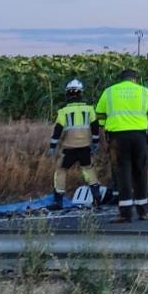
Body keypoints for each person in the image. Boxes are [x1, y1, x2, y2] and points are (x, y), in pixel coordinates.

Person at [95, 68, 148, 223]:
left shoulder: (110, 92)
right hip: (139, 137)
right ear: (135, 79)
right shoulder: (144, 91)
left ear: (121, 79)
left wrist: (105, 127)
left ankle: (125, 213)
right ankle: (143, 211)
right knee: (140, 171)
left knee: (122, 173)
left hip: (118, 138)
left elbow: (99, 114)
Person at [48, 79, 103, 210]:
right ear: (81, 94)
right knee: (88, 169)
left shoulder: (63, 112)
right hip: (85, 147)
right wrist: (95, 143)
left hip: (69, 148)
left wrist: (52, 146)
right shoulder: (90, 109)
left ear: (68, 94)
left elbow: (58, 131)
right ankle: (96, 196)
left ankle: (58, 200)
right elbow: (95, 127)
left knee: (61, 171)